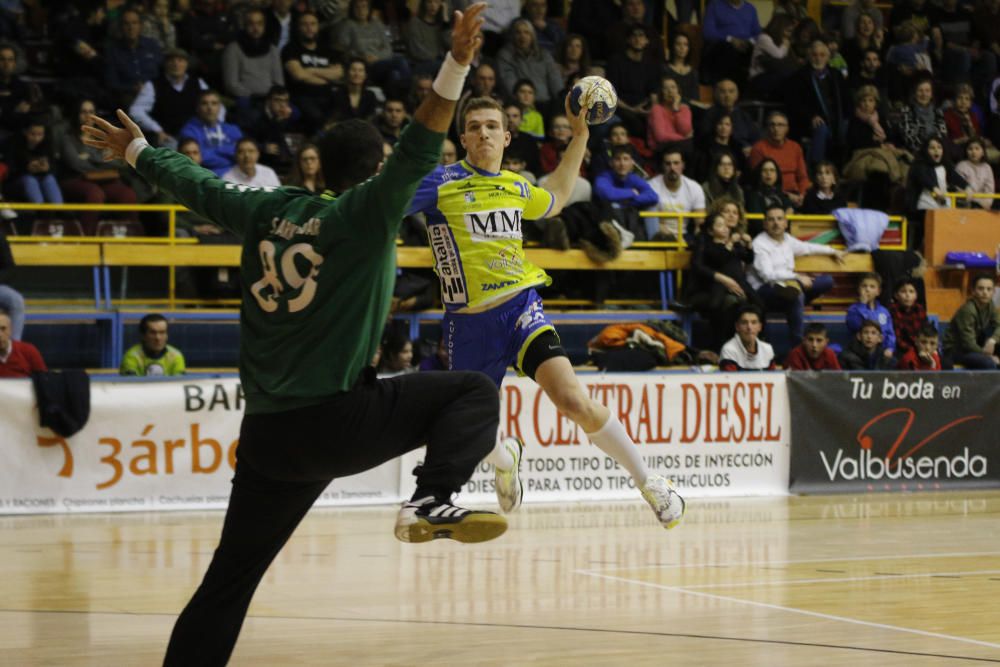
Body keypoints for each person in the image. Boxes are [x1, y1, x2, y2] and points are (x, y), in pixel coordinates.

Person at [83, 7, 509, 664]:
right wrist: (455, 60)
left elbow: (195, 184)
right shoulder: (365, 215)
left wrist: (135, 149)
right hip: (336, 420)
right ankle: (431, 495)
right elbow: (422, 144)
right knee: (475, 392)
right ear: (372, 174)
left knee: (226, 584)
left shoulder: (266, 208)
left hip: (268, 439)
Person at [407, 94, 686, 530]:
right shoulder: (438, 183)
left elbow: (556, 195)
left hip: (521, 308)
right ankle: (505, 458)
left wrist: (580, 135)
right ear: (462, 138)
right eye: (475, 126)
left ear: (507, 136)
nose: (484, 132)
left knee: (572, 398)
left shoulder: (516, 186)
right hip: (467, 323)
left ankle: (650, 482)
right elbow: (385, 205)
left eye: (492, 126)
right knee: (476, 432)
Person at [748, 205, 847, 346]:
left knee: (827, 281)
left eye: (779, 219)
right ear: (765, 224)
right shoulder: (759, 243)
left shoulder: (787, 239)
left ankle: (793, 304)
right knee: (796, 294)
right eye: (771, 220)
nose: (776, 223)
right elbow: (767, 275)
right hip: (766, 291)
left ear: (785, 223)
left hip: (789, 287)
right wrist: (796, 277)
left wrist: (832, 251)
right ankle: (798, 344)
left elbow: (807, 248)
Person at [130, 48, 216, 150]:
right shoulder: (153, 85)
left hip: (198, 134)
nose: (176, 64)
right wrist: (156, 129)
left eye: (180, 60)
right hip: (170, 138)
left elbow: (217, 105)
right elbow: (135, 111)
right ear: (165, 63)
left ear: (187, 64)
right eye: (172, 60)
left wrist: (214, 126)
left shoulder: (198, 83)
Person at [748, 111, 810, 207]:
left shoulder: (795, 147)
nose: (776, 129)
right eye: (772, 125)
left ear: (787, 129)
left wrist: (802, 195)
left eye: (780, 125)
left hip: (797, 195)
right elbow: (758, 181)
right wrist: (786, 196)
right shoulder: (758, 148)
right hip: (771, 196)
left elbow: (802, 177)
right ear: (767, 128)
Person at [942, 273, 1000, 369]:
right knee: (988, 363)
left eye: (989, 289)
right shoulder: (968, 310)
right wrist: (987, 355)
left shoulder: (990, 305)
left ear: (994, 292)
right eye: (980, 289)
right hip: (956, 350)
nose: (985, 292)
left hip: (975, 346)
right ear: (973, 291)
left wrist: (992, 340)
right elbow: (968, 343)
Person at [645, 149, 705, 240]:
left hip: (685, 236)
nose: (672, 168)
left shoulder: (695, 188)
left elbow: (700, 222)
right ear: (662, 166)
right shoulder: (651, 186)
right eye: (668, 164)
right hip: (659, 236)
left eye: (676, 163)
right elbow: (652, 221)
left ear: (683, 165)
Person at [846, 272, 896, 358]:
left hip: (881, 352)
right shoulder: (853, 309)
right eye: (864, 286)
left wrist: (890, 348)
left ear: (878, 291)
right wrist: (862, 306)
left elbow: (890, 333)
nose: (867, 289)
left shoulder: (884, 311)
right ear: (859, 289)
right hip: (860, 351)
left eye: (872, 287)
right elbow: (854, 326)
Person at [120, 313, 187, 376]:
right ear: (143, 336)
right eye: (152, 333)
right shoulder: (132, 357)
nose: (158, 338)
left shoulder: (176, 356)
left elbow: (177, 385)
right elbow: (132, 386)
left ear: (167, 335)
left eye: (162, 332)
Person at [719, 305, 776, 371]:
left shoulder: (767, 349)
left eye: (754, 322)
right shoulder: (729, 350)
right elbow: (731, 380)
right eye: (744, 323)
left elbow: (773, 379)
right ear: (737, 326)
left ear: (760, 327)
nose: (749, 327)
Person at [889, 277, 928, 359]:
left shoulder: (920, 310)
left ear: (916, 295)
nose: (908, 295)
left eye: (911, 291)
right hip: (901, 350)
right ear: (896, 295)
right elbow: (897, 338)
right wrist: (914, 351)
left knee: (945, 363)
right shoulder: (892, 311)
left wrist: (924, 348)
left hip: (920, 348)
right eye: (903, 291)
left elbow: (926, 332)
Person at [0, 309, 45, 378]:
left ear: (10, 330)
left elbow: (44, 382)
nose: (0, 334)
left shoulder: (29, 351)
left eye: (3, 329)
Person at [955, 138, 996, 209]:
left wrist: (986, 203)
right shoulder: (961, 166)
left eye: (977, 149)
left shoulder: (987, 167)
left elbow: (990, 190)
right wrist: (976, 201)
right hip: (964, 206)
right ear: (966, 151)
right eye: (970, 149)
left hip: (983, 206)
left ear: (983, 152)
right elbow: (959, 189)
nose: (973, 152)